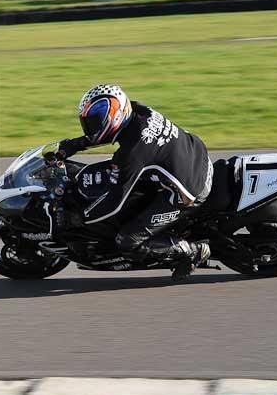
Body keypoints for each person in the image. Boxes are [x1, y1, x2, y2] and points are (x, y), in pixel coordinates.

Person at [52, 84, 213, 281]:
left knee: (128, 240)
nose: (91, 127)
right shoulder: (138, 110)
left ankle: (191, 251)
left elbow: (113, 202)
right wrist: (73, 145)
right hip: (197, 155)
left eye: (95, 121)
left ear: (117, 114)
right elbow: (109, 132)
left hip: (189, 193)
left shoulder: (132, 154)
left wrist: (78, 217)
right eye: (88, 122)